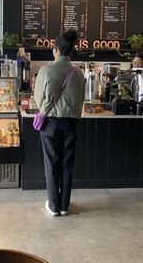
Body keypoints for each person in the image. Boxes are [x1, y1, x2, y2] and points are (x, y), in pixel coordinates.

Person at [34, 29, 85, 217]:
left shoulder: (46, 70)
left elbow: (39, 99)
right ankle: (64, 205)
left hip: (51, 124)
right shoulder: (78, 72)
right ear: (71, 50)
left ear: (55, 49)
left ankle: (53, 206)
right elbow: (80, 99)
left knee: (51, 164)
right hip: (72, 123)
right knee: (67, 164)